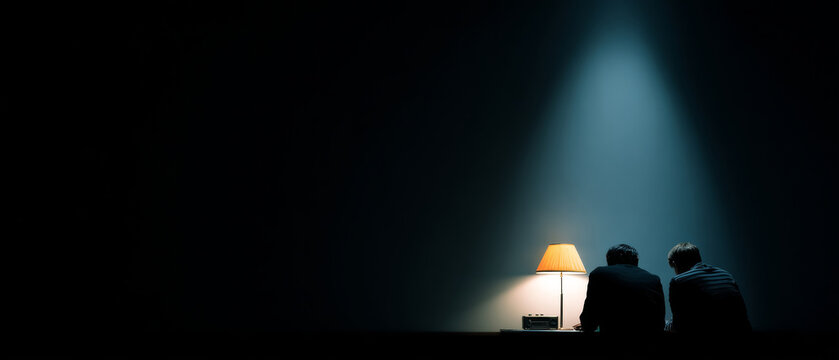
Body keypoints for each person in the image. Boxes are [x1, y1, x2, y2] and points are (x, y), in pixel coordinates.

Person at [579, 244, 665, 334]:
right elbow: (660, 322)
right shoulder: (653, 279)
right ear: (636, 261)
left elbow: (588, 321)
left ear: (609, 260)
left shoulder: (599, 274)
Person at [666, 242, 751, 333]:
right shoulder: (726, 275)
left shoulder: (679, 281)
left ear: (675, 263)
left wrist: (667, 325)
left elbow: (679, 325)